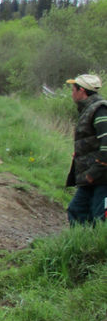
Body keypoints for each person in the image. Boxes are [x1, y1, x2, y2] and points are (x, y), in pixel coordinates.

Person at [65, 73, 107, 225]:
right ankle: (81, 246)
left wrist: (94, 172)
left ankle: (99, 247)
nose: (72, 93)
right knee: (76, 211)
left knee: (100, 217)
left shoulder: (100, 110)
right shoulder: (89, 109)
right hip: (90, 177)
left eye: (73, 90)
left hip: (100, 177)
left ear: (81, 90)